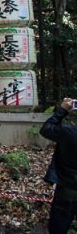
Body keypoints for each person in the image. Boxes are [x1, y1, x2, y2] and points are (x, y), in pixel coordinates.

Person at [40, 97, 77, 233]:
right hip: (67, 190)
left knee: (58, 229)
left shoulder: (68, 132)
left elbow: (46, 129)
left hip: (67, 191)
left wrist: (62, 110)